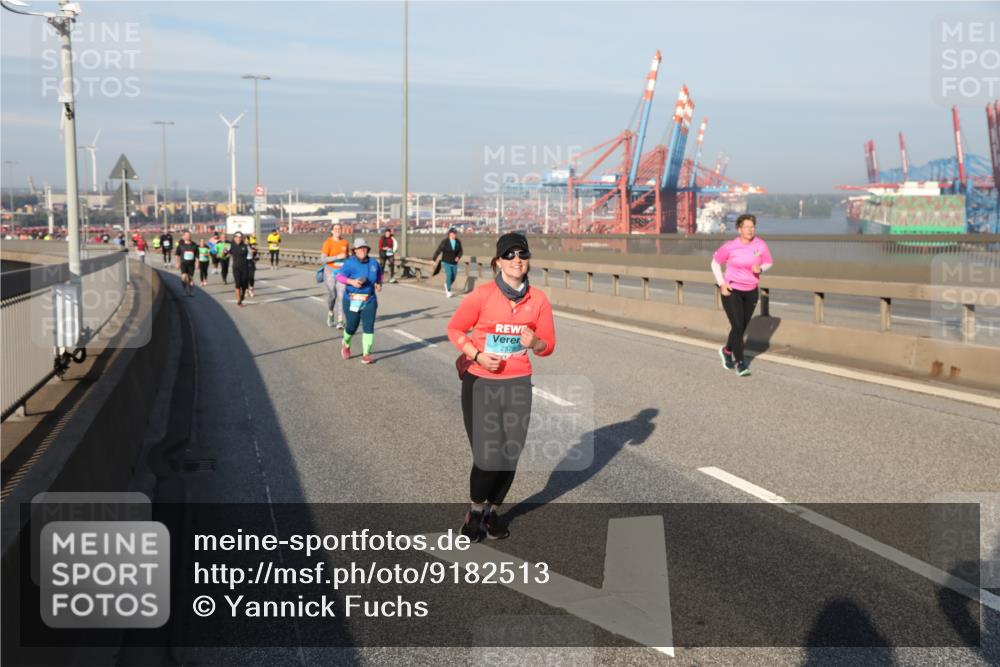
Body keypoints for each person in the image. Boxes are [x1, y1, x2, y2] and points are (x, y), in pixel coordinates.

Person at [446, 232, 555, 541]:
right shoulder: (482, 296)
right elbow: (454, 329)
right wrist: (477, 354)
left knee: (509, 453)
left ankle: (493, 512)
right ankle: (475, 511)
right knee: (487, 454)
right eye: (509, 255)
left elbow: (548, 346)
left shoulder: (539, 301)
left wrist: (535, 342)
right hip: (481, 381)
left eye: (522, 254)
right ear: (498, 262)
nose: (516, 259)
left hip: (518, 382)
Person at [711, 213, 773, 377]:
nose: (750, 230)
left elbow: (768, 262)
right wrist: (721, 284)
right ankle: (740, 362)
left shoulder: (760, 245)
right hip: (732, 290)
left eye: (752, 227)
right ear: (739, 229)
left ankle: (726, 350)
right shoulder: (730, 246)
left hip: (751, 291)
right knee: (738, 327)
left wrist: (760, 269)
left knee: (741, 327)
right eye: (746, 227)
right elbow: (715, 263)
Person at [336, 238, 383, 364]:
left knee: (369, 326)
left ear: (367, 249)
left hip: (369, 300)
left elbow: (379, 274)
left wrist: (379, 283)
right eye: (359, 248)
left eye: (364, 248)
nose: (362, 250)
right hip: (352, 299)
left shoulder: (374, 263)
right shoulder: (349, 263)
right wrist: (352, 282)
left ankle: (366, 354)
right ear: (354, 251)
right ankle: (346, 344)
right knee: (352, 326)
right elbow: (339, 276)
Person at [320, 223, 350, 329]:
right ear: (332, 231)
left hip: (342, 272)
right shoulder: (328, 242)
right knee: (333, 295)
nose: (337, 230)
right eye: (335, 229)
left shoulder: (345, 242)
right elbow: (323, 259)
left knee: (342, 296)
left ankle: (340, 320)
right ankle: (330, 313)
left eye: (339, 228)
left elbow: (348, 257)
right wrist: (337, 257)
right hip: (330, 271)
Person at [432, 228, 463, 298]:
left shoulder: (458, 241)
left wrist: (458, 257)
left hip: (454, 262)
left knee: (453, 277)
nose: (455, 235)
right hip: (446, 261)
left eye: (455, 233)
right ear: (449, 234)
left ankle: (447, 284)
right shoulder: (445, 241)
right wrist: (434, 259)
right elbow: (439, 250)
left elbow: (461, 251)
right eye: (453, 233)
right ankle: (448, 291)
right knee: (449, 275)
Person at [230, 231, 252, 307]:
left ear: (242, 238)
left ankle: (242, 296)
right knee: (238, 284)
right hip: (236, 268)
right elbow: (225, 253)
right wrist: (224, 252)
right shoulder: (231, 246)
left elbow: (251, 255)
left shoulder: (245, 246)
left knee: (244, 285)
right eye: (237, 237)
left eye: (240, 237)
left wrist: (254, 253)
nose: (238, 239)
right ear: (234, 238)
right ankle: (239, 301)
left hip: (245, 268)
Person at [174, 230, 199, 297]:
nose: (189, 236)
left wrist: (197, 263)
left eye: (190, 235)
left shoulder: (195, 245)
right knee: (184, 278)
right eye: (187, 235)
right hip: (183, 263)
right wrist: (177, 263)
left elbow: (197, 255)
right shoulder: (180, 245)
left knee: (190, 278)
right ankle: (184, 290)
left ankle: (191, 292)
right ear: (184, 236)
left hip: (191, 264)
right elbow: (177, 255)